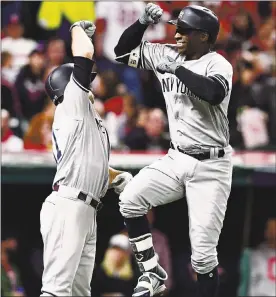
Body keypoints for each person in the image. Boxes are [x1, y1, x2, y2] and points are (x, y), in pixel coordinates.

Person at [114, 3, 233, 297]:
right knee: (130, 199)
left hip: (211, 166)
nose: (177, 33)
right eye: (176, 28)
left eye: (184, 30)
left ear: (203, 36)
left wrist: (176, 68)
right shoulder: (166, 53)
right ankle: (152, 271)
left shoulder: (217, 64)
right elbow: (121, 52)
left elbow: (214, 92)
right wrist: (141, 23)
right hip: (177, 157)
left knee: (203, 258)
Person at [40, 20, 133, 296]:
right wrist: (76, 29)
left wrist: (116, 177)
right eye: (84, 80)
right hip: (68, 204)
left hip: (87, 208)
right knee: (56, 289)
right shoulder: (71, 105)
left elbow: (92, 166)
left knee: (80, 292)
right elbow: (85, 54)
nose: (90, 84)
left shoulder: (88, 118)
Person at [238, 217, 276, 297]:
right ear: (266, 232)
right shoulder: (253, 254)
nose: (273, 232)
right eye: (271, 229)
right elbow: (245, 282)